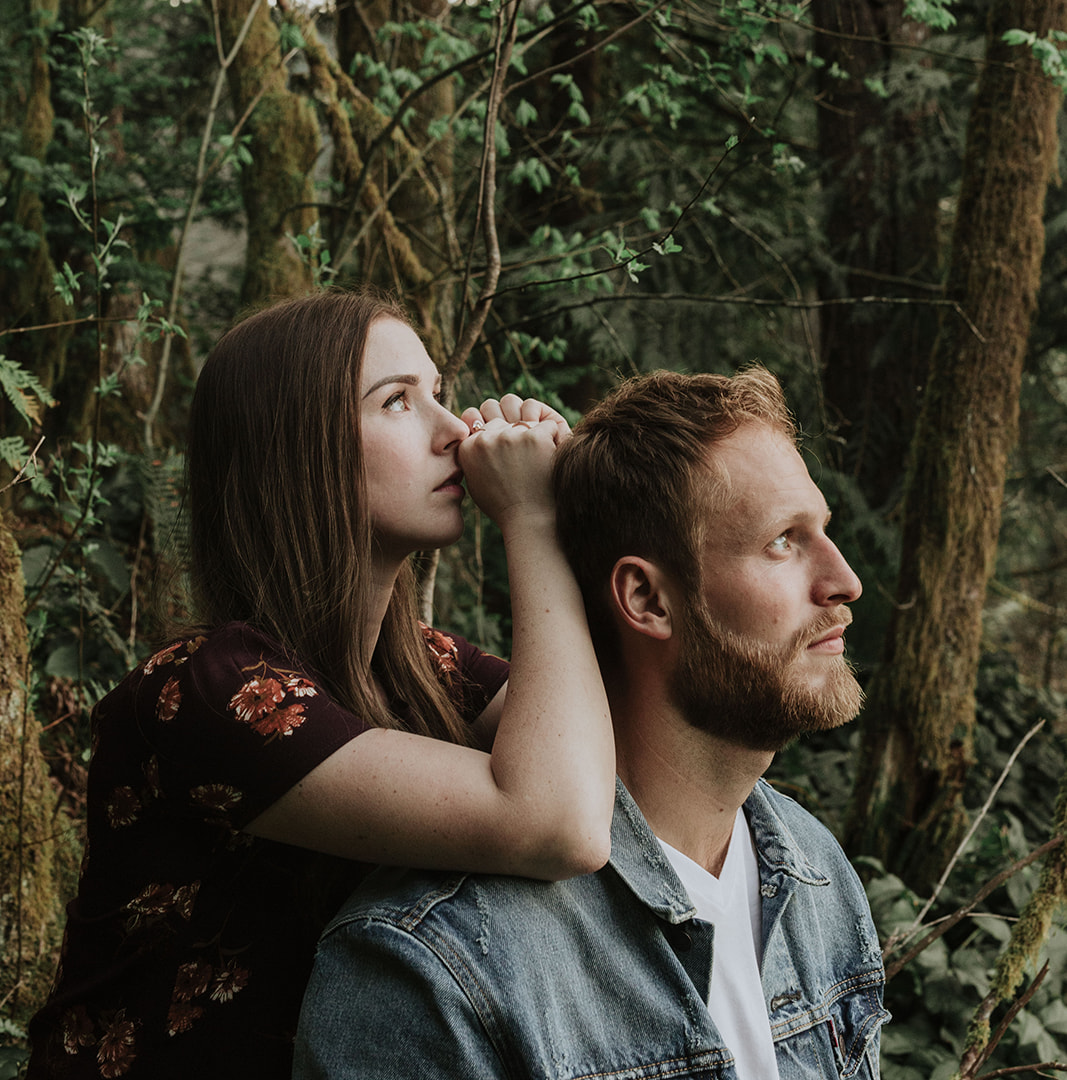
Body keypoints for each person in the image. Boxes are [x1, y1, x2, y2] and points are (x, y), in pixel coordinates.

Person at [28, 290, 614, 1080]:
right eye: (399, 401)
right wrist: (532, 525)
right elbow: (558, 824)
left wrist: (575, 505)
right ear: (296, 447)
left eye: (438, 394)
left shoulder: (424, 668)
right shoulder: (209, 688)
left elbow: (610, 741)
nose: (454, 432)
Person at [295, 367, 889, 1080]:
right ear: (645, 599)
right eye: (782, 541)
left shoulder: (814, 871)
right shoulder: (435, 964)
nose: (844, 579)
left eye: (823, 530)